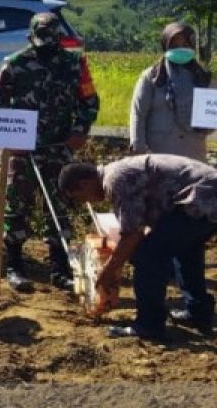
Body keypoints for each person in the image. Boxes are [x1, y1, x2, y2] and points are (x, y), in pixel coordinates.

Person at [0, 12, 99, 293]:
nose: (47, 46)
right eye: (42, 41)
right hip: (22, 150)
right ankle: (15, 266)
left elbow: (89, 101)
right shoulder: (14, 65)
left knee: (60, 206)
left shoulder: (75, 64)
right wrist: (7, 139)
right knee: (17, 205)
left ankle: (59, 269)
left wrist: (80, 130)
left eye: (52, 41)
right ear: (31, 37)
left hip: (59, 148)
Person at [60, 155, 217, 340]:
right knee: (183, 249)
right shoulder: (117, 173)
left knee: (147, 255)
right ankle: (199, 313)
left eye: (80, 197)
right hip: (203, 196)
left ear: (85, 183)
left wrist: (108, 271)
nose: (86, 202)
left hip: (202, 198)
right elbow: (140, 227)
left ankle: (149, 325)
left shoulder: (116, 180)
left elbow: (132, 235)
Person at [130, 21, 211, 162]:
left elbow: (210, 116)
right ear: (165, 45)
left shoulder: (204, 78)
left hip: (194, 156)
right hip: (158, 157)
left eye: (185, 45)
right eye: (174, 46)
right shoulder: (151, 77)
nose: (180, 49)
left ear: (192, 46)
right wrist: (139, 148)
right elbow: (138, 114)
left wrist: (208, 123)